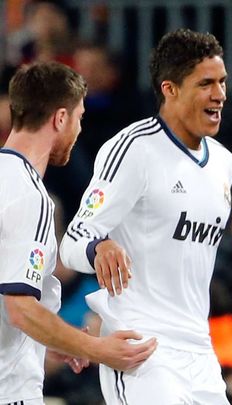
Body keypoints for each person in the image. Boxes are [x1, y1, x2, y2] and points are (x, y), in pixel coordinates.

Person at [59, 29, 232, 404]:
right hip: (142, 350)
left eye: (222, 82)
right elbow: (73, 241)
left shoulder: (224, 162)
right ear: (169, 89)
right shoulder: (134, 150)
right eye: (205, 84)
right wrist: (99, 246)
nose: (219, 94)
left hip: (200, 351)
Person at [0, 62, 156, 405]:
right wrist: (98, 348)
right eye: (79, 117)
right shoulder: (29, 196)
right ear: (60, 118)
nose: (80, 127)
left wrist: (51, 339)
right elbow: (19, 309)